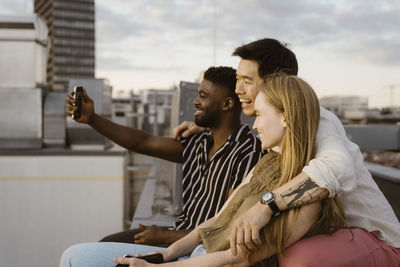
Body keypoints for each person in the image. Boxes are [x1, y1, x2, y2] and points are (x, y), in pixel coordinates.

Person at [61, 74, 346, 267]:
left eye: (259, 115)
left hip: (200, 262)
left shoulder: (298, 188)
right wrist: (163, 255)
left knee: (75, 258)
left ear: (285, 118)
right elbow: (215, 221)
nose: (255, 124)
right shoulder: (264, 162)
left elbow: (238, 258)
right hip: (190, 254)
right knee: (73, 256)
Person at [174, 38, 400, 265]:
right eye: (237, 79)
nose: (237, 89)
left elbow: (338, 168)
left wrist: (266, 206)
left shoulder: (318, 119)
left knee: (295, 257)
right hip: (331, 236)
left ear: (277, 82)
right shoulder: (274, 134)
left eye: (247, 80)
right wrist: (207, 128)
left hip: (373, 237)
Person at [65, 66, 262, 247]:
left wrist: (165, 237)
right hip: (178, 236)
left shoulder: (248, 152)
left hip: (202, 249)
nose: (195, 101)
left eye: (202, 96)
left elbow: (232, 224)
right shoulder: (199, 142)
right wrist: (92, 119)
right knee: (104, 244)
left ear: (226, 104)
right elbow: (143, 142)